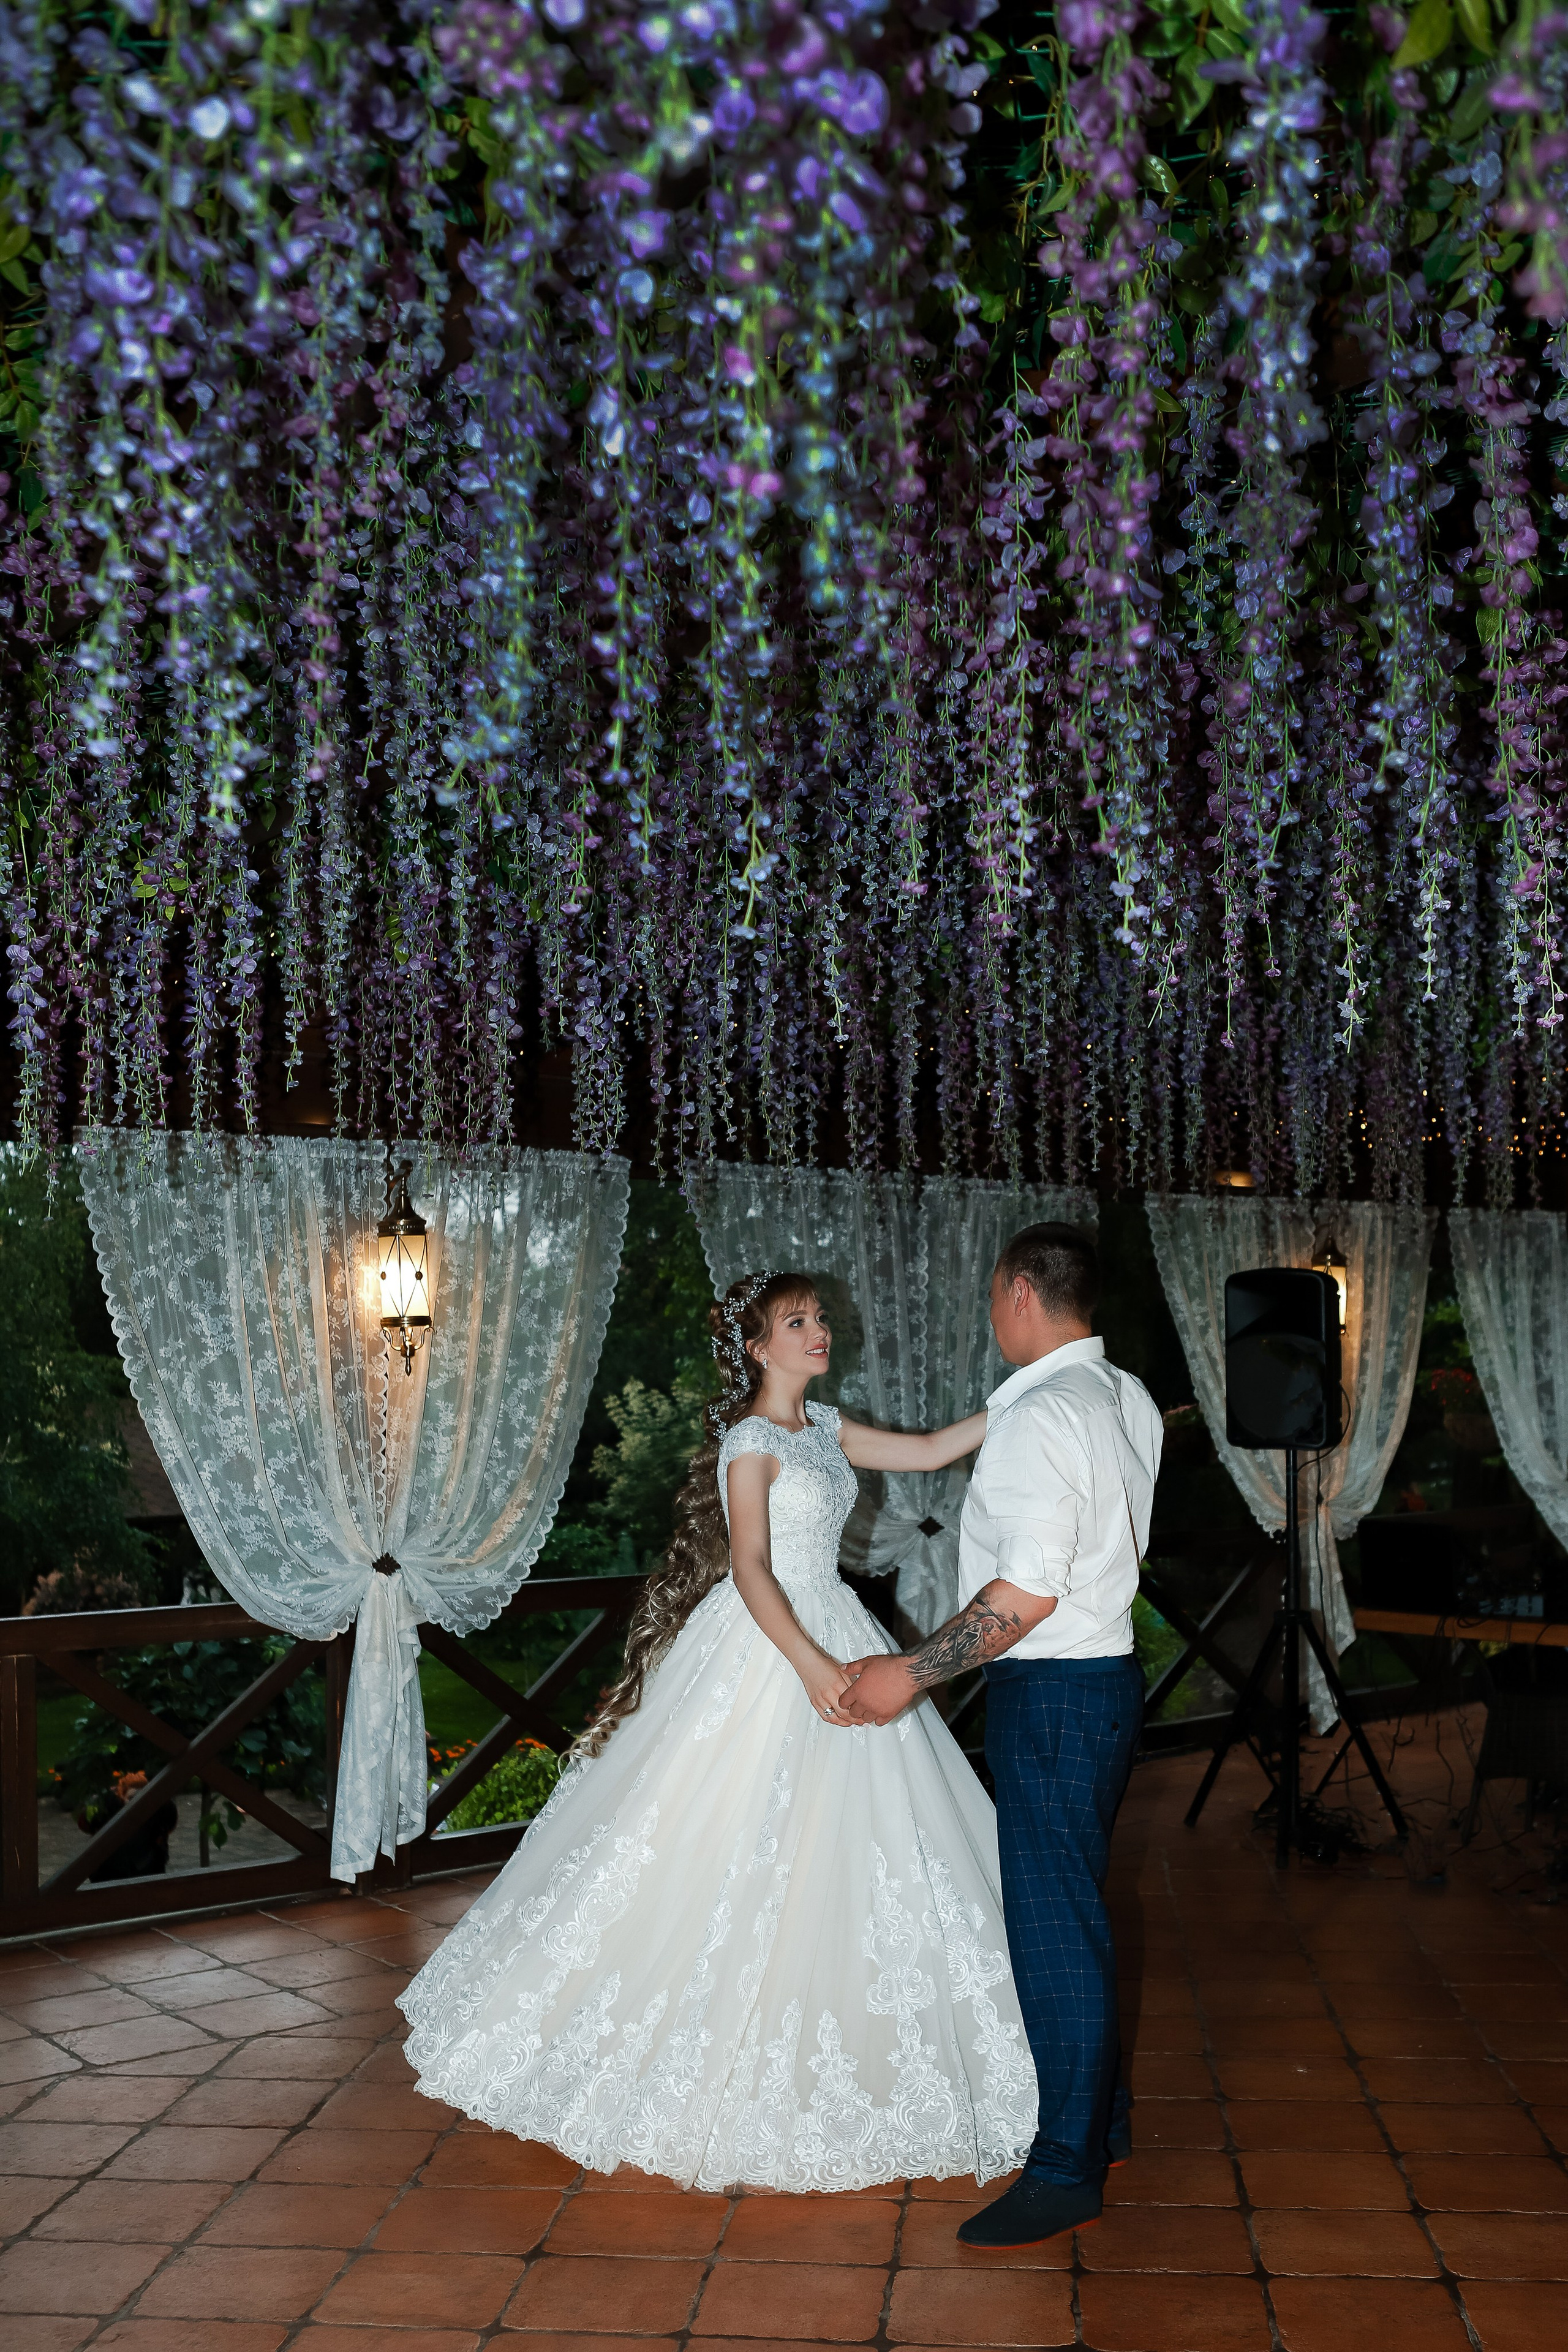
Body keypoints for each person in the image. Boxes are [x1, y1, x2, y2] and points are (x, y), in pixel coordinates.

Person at [396, 1268, 1038, 2195]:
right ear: (756, 1347)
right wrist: (815, 1666)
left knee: (858, 1839)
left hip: (838, 1630)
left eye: (819, 1319)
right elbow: (749, 1568)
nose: (818, 1332)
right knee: (715, 1831)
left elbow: (937, 1448)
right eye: (797, 1322)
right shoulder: (751, 1440)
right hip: (772, 1646)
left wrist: (1029, 1389)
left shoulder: (828, 1428)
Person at [840, 1222, 1161, 2247]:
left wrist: (910, 1673)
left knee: (1054, 1934)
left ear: (1020, 1292)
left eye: (991, 1296)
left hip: (1055, 1693)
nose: (992, 1312)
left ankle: (1063, 2168)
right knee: (1075, 1913)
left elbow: (1022, 1596)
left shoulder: (1041, 1417)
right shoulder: (1126, 1397)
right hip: (1105, 1684)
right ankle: (1099, 2127)